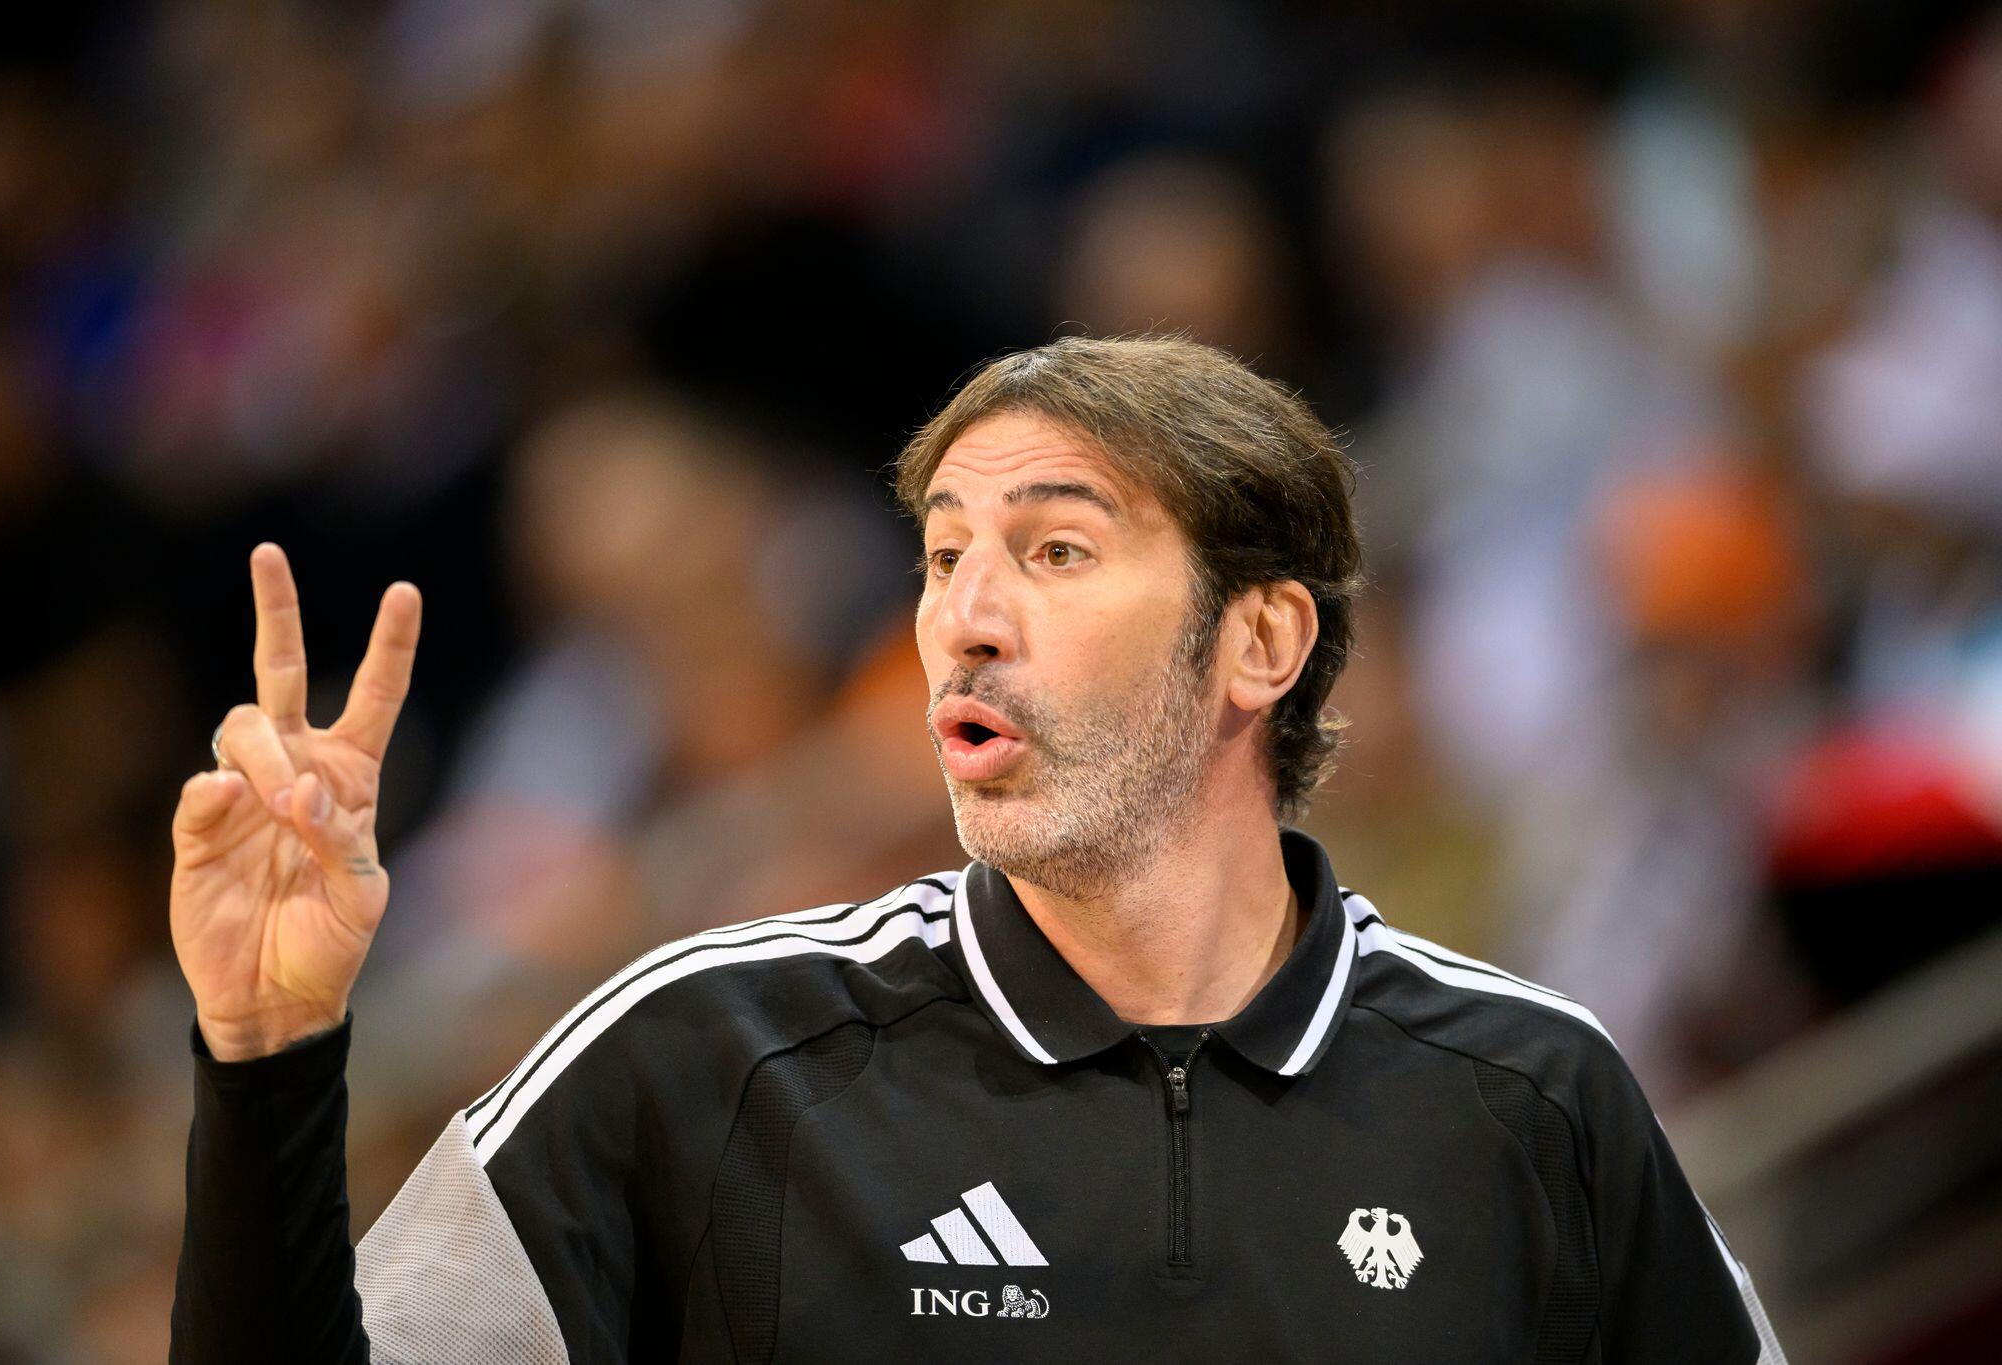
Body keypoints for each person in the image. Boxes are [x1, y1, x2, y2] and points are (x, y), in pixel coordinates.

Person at [168, 336, 1786, 1362]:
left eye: (1056, 549)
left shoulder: (1533, 1096)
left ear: (1262, 641)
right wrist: (266, 1055)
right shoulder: (703, 1056)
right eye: (944, 557)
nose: (964, 618)